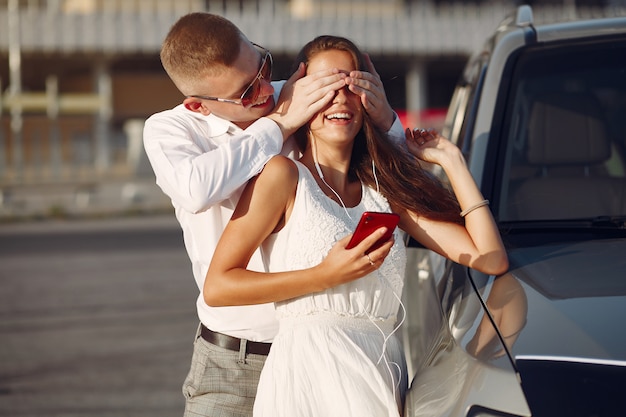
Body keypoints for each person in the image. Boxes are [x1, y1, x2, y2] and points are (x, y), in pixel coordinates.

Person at [205, 35, 509, 417]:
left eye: (351, 85)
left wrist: (452, 161)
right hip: (309, 379)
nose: (340, 98)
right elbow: (218, 285)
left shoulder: (384, 190)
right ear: (300, 96)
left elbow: (489, 257)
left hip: (379, 374)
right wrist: (323, 275)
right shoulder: (282, 176)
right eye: (325, 86)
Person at [142, 13, 406, 417]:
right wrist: (279, 124)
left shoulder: (297, 93)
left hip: (326, 357)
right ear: (198, 103)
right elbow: (194, 190)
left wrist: (386, 119)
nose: (266, 90)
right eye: (247, 91)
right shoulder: (171, 131)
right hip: (236, 360)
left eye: (263, 66)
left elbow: (380, 165)